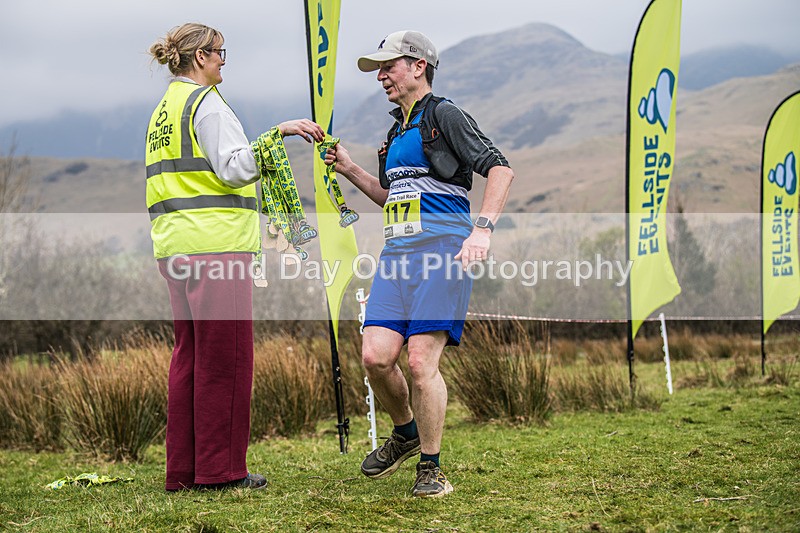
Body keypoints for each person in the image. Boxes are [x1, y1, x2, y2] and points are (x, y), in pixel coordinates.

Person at [325, 30, 514, 497]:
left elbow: (500, 168)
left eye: (389, 65)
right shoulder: (397, 130)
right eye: (378, 69)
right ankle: (406, 431)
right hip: (397, 257)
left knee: (419, 360)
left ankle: (431, 468)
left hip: (442, 252)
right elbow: (392, 197)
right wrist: (351, 170)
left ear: (418, 66)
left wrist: (482, 230)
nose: (382, 75)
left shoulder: (443, 114)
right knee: (374, 356)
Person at [146, 23, 324, 491]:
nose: (224, 61)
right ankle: (222, 472)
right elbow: (234, 168)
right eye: (221, 53)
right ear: (201, 56)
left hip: (174, 247)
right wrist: (276, 135)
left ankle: (183, 472)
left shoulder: (164, 110)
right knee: (227, 359)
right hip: (217, 247)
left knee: (190, 358)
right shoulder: (206, 105)